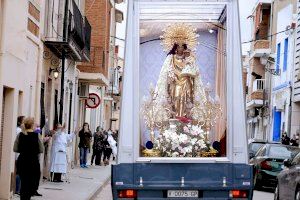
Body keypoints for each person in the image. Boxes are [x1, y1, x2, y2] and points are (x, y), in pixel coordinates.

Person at [13, 117, 44, 200]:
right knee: (31, 183)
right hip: (33, 162)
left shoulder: (20, 135)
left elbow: (15, 149)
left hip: (22, 161)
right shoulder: (36, 135)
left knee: (24, 183)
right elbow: (41, 149)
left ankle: (23, 197)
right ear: (32, 125)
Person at [15, 116, 25, 195]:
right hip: (19, 155)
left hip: (19, 155)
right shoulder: (19, 131)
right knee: (19, 172)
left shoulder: (21, 131)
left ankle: (19, 189)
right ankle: (18, 189)